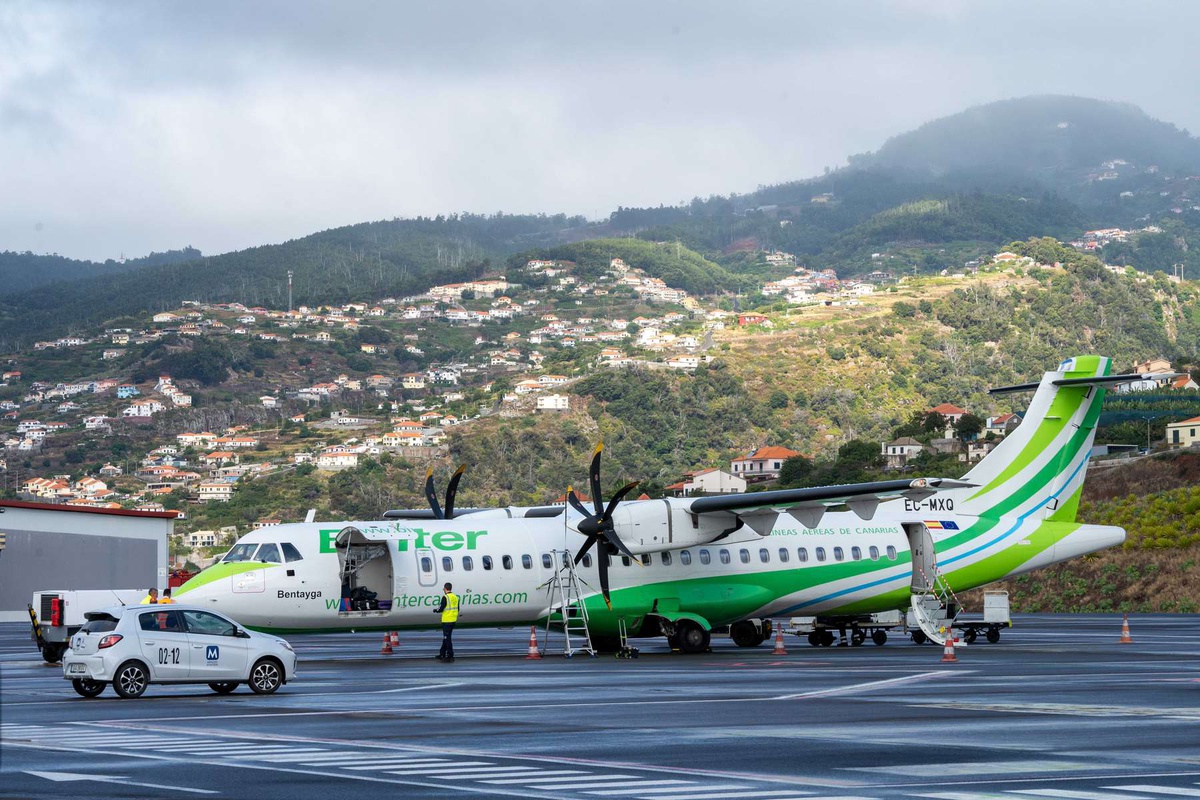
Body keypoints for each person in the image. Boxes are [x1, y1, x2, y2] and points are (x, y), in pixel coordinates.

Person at [433, 582, 459, 662]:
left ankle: (450, 656)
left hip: (447, 620)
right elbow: (458, 609)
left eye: (443, 588)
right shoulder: (455, 597)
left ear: (445, 589)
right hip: (453, 620)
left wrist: (435, 610)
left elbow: (441, 608)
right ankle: (442, 653)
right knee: (446, 637)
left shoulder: (445, 597)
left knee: (447, 638)